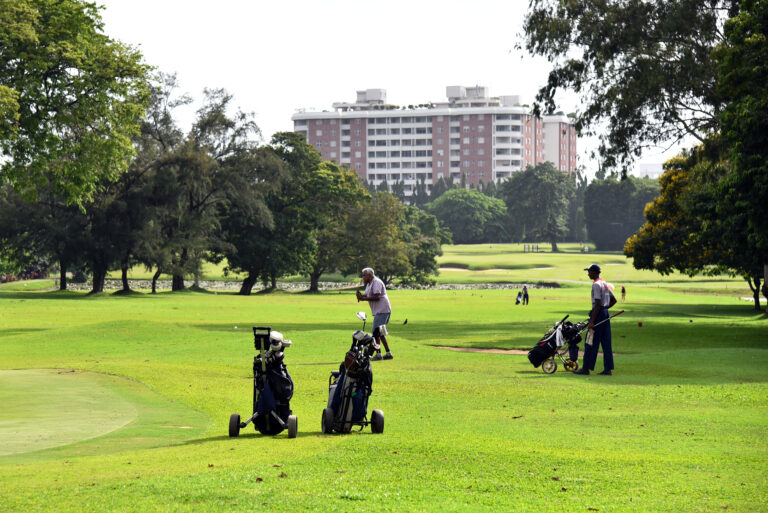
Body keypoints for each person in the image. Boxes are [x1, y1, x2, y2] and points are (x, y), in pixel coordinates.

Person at [573, 264, 617, 376]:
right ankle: (608, 369)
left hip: (598, 316)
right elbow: (613, 300)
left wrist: (592, 321)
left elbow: (597, 304)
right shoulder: (604, 283)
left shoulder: (596, 285)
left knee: (590, 341)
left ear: (594, 272)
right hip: (605, 315)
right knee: (606, 343)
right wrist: (605, 309)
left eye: (589, 271)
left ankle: (585, 369)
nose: (588, 273)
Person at [356, 267, 392, 361]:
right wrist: (360, 296)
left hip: (382, 310)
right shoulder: (369, 284)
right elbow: (367, 295)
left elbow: (377, 297)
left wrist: (363, 298)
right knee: (380, 333)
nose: (363, 277)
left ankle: (379, 354)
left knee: (376, 332)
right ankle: (388, 353)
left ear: (370, 275)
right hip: (379, 311)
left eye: (364, 275)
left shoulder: (376, 282)